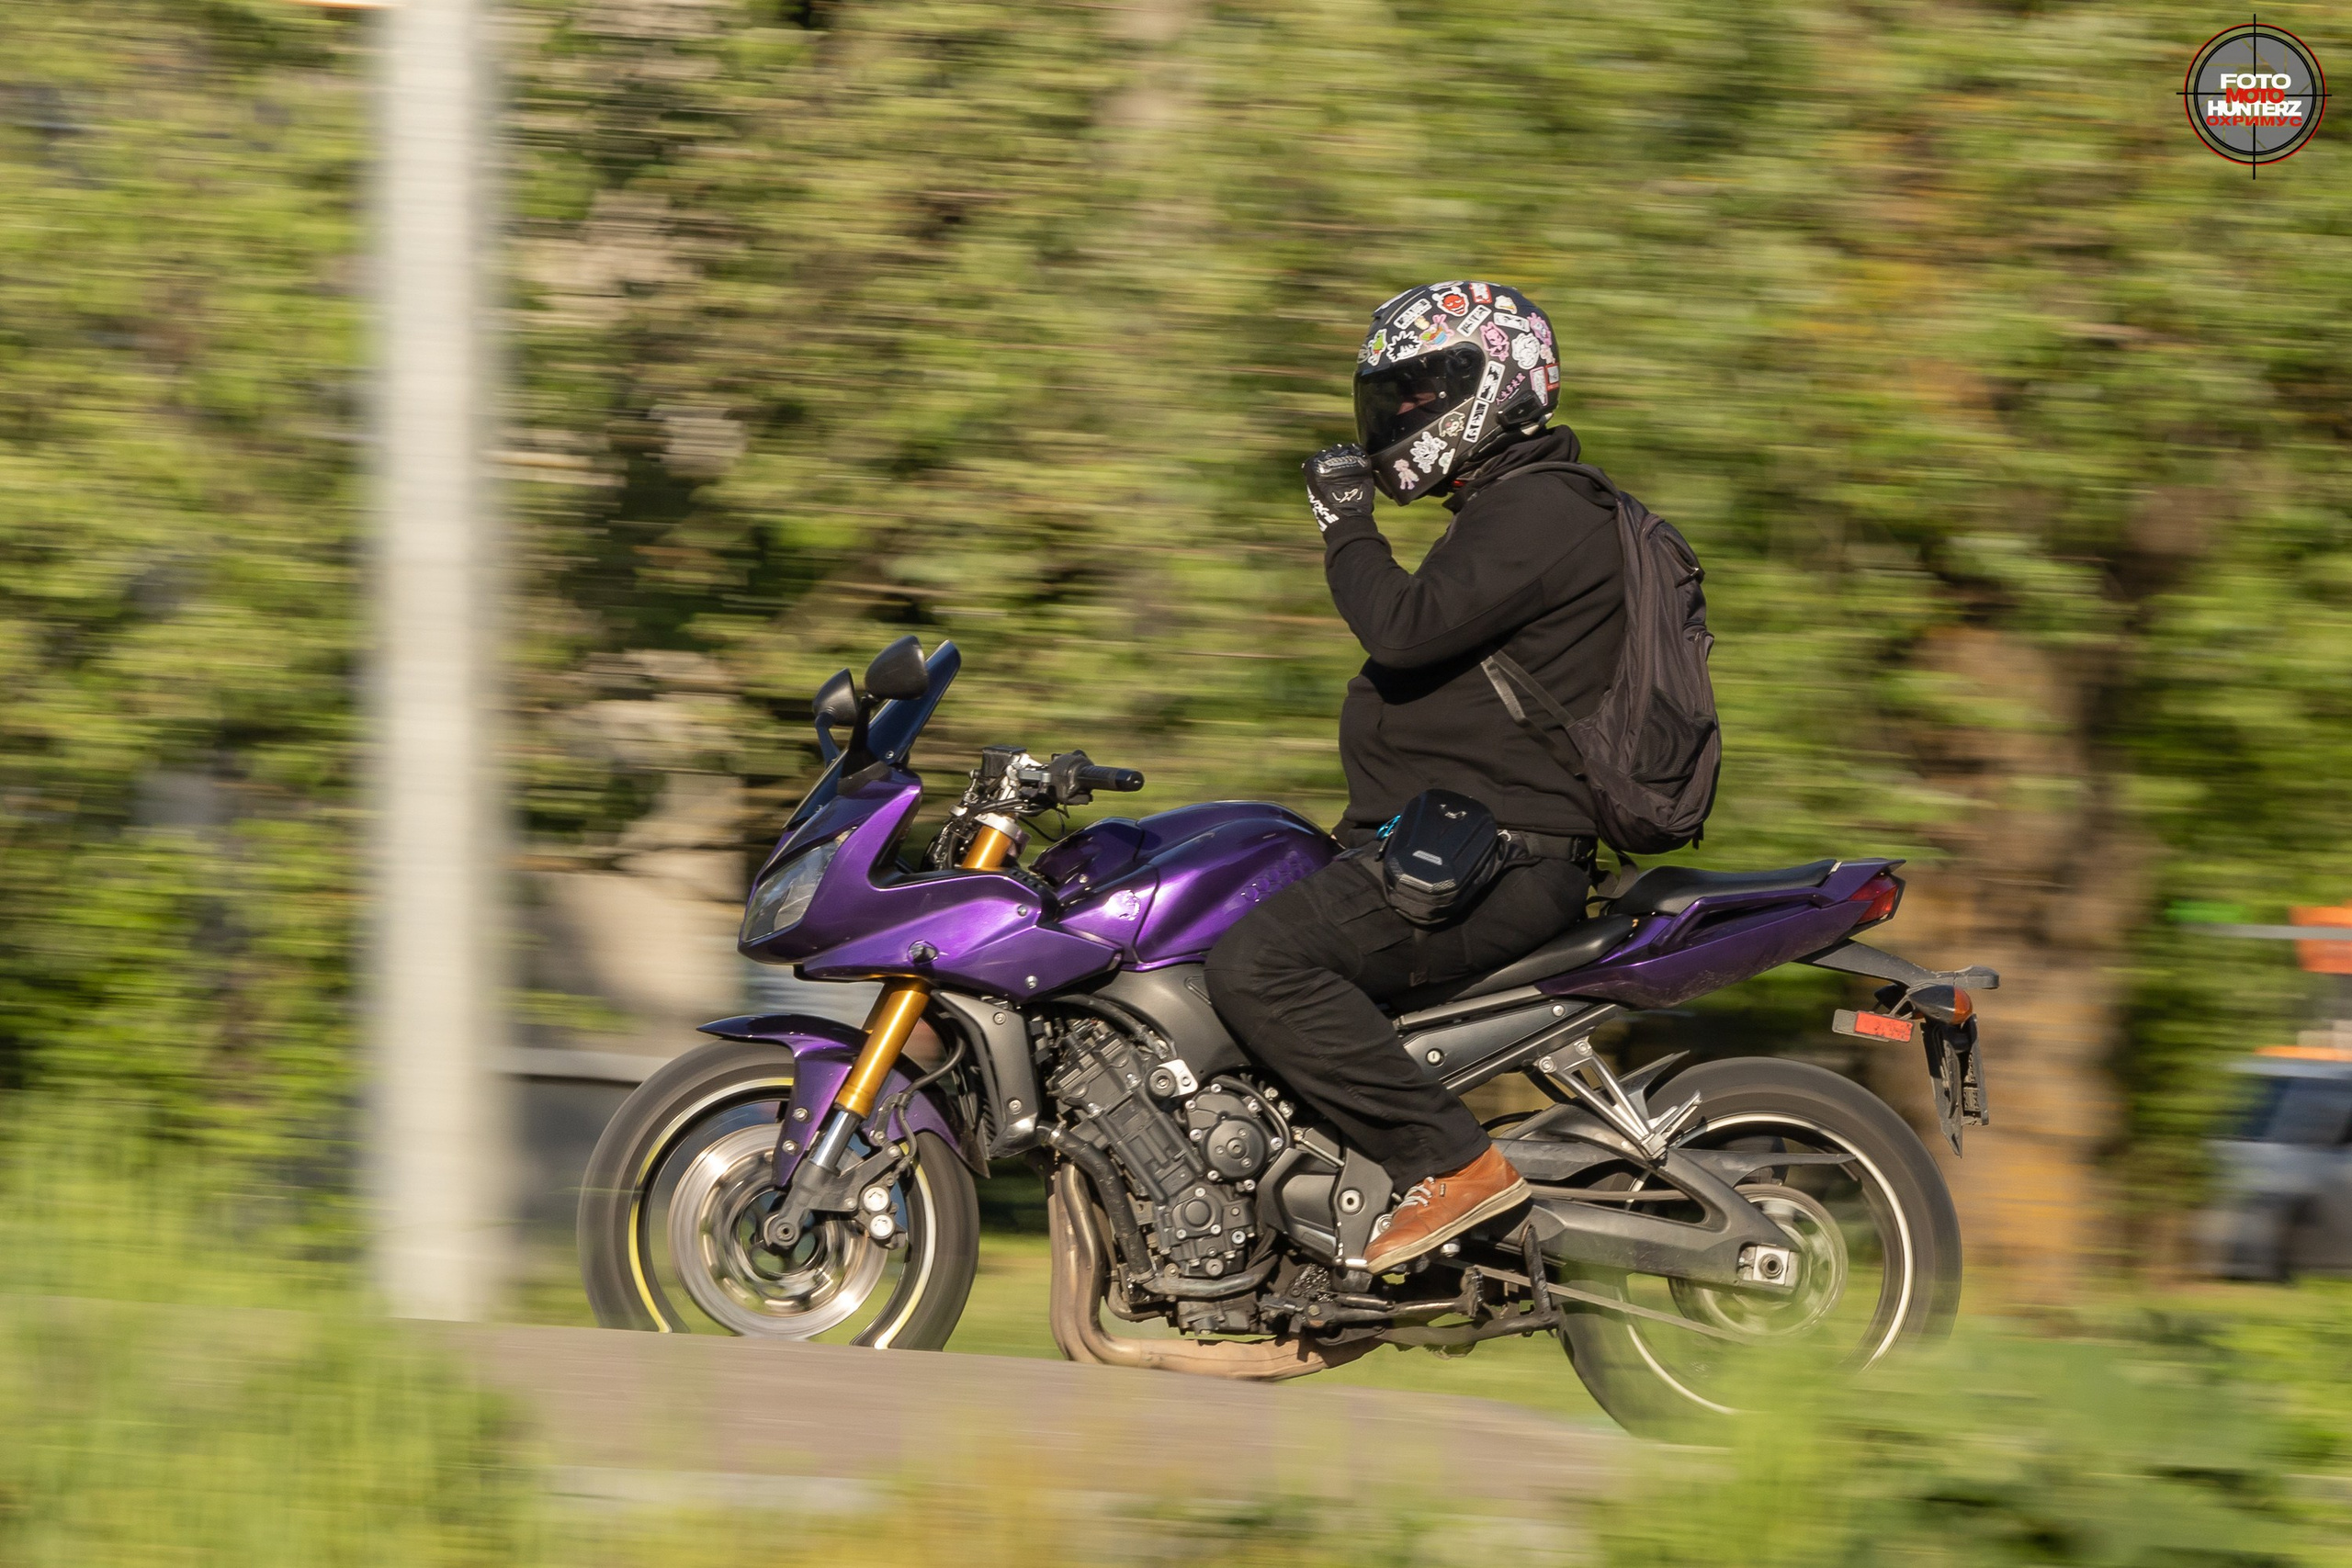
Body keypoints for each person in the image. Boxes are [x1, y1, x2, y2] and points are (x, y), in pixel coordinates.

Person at [1207, 280, 1626, 1275]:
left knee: (1259, 966)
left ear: (1493, 386)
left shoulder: (1542, 511)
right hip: (1455, 847)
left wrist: (1346, 525)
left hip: (1502, 860)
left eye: (1419, 391)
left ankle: (1455, 1164)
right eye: (1389, 397)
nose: (1398, 416)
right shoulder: (1509, 510)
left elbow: (1403, 630)